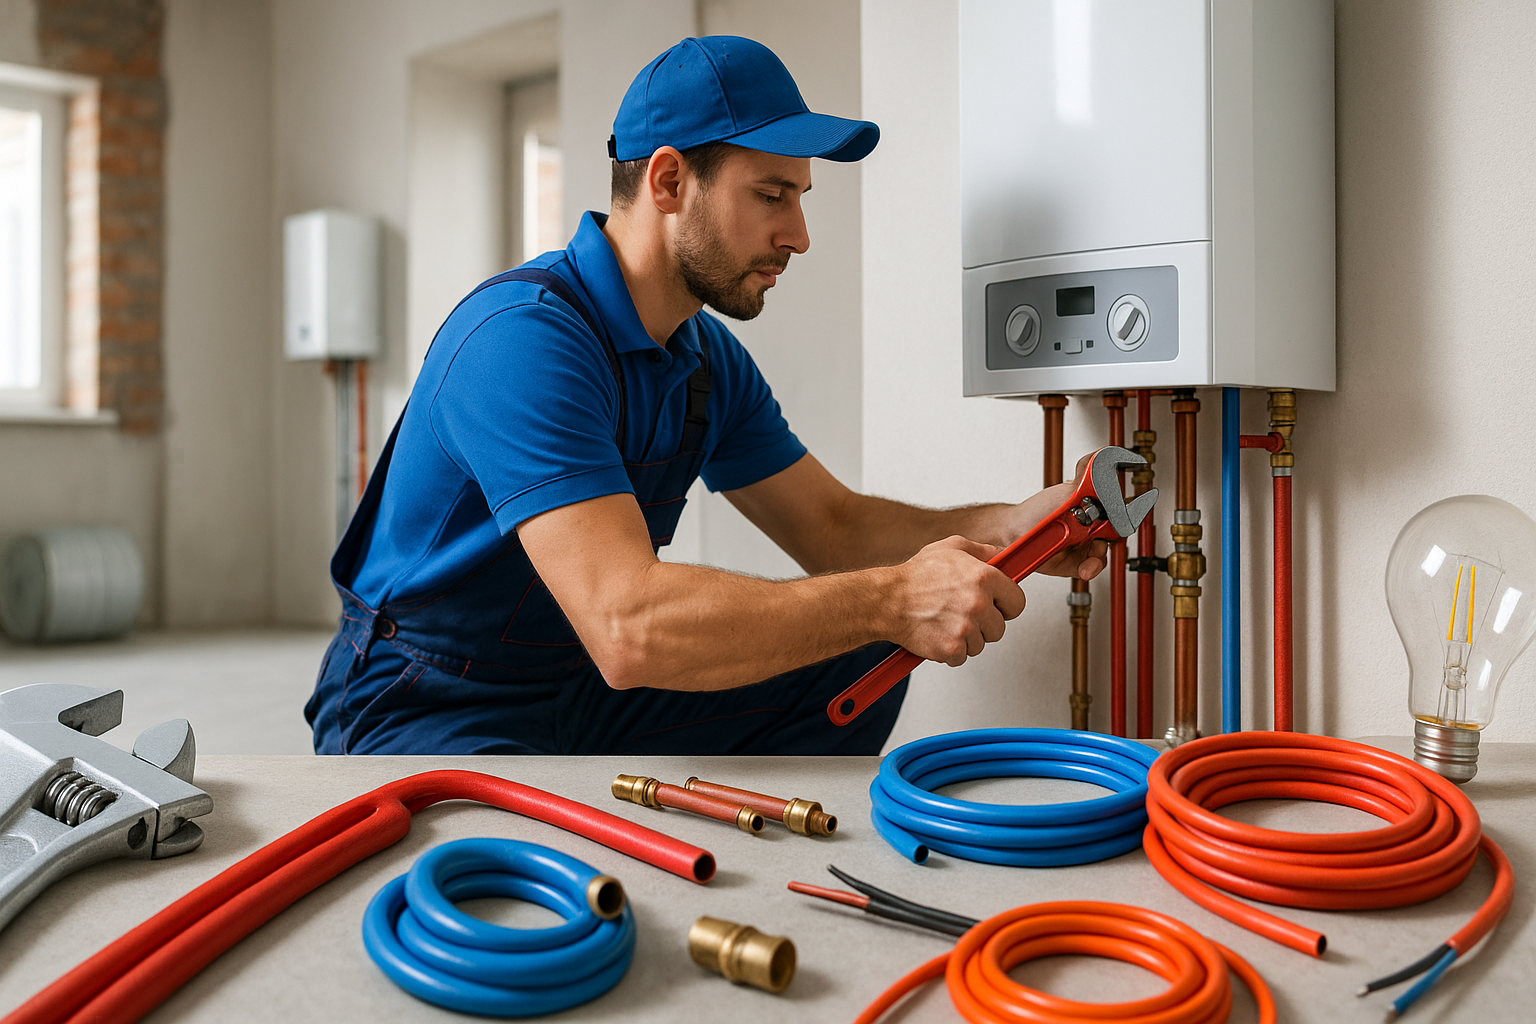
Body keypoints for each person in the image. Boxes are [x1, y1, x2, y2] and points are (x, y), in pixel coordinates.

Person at [305, 35, 1106, 757]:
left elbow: (833, 527)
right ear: (669, 179)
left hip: (580, 690)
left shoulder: (704, 360)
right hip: (430, 699)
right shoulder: (521, 340)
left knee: (854, 651)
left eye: (800, 197)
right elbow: (627, 624)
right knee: (540, 875)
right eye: (770, 195)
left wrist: (1005, 528)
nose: (798, 235)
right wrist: (894, 595)